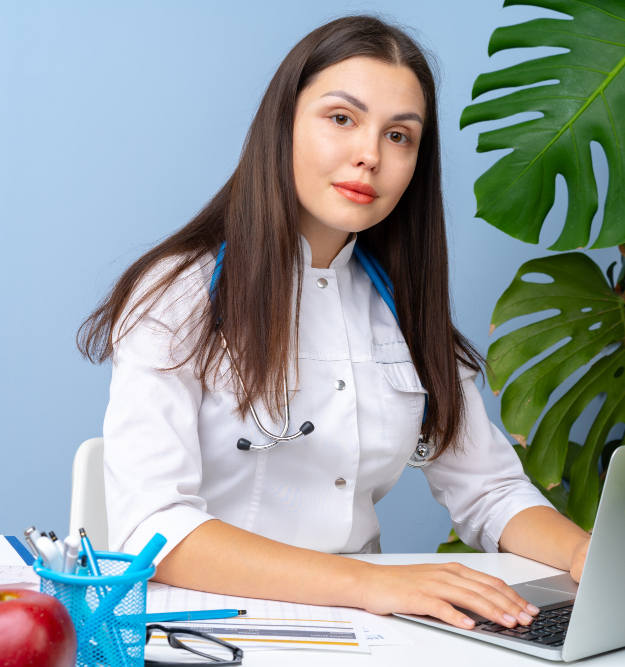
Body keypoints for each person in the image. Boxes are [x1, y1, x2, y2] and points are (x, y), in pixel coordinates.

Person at [79, 15, 590, 632]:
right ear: (283, 125)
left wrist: (585, 553)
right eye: (341, 119)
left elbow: (489, 491)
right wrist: (368, 583)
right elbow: (154, 530)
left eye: (399, 136)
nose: (369, 155)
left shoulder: (404, 309)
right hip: (210, 628)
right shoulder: (177, 294)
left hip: (368, 630)